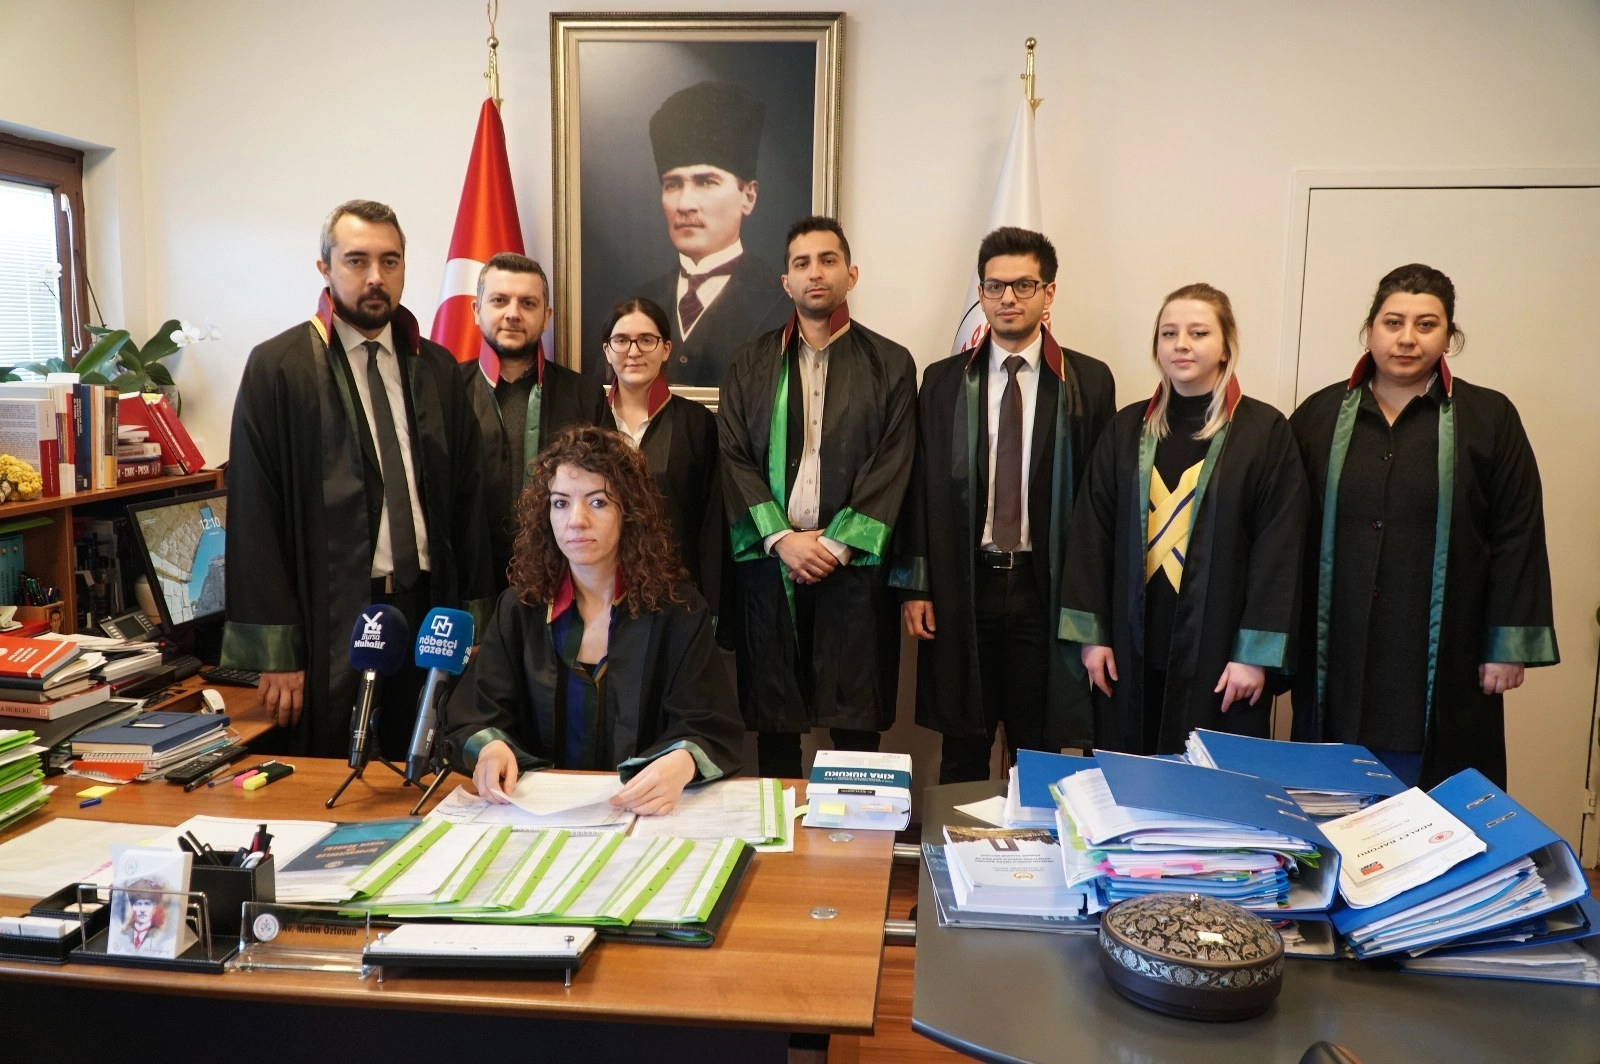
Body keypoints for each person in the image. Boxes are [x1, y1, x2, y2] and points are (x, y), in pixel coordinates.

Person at [223, 200, 494, 758]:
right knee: (341, 772)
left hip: (427, 611)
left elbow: (468, 505)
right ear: (324, 267)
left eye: (389, 261)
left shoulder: (437, 368)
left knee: (427, 763)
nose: (375, 277)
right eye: (356, 260)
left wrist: (475, 622)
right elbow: (255, 515)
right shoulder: (279, 368)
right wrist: (278, 653)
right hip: (334, 619)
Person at [1289, 264, 1558, 789]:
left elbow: (1517, 531)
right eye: (1393, 322)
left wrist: (1506, 644)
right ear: (1369, 330)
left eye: (1426, 324)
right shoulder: (1318, 416)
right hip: (1336, 645)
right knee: (1331, 795)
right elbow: (1284, 532)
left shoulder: (1489, 418)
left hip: (1444, 647)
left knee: (1437, 805)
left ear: (1449, 336)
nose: (1407, 338)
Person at [891, 227, 1116, 783]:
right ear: (981, 293)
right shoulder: (943, 381)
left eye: (1023, 285)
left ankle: (1034, 837)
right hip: (965, 584)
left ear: (1049, 292)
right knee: (962, 743)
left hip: (1047, 587)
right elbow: (920, 486)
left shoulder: (1087, 381)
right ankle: (955, 839)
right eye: (995, 286)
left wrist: (1092, 603)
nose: (1008, 298)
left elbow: (1099, 503)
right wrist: (917, 586)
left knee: (1038, 746)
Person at [1061, 283, 1308, 755]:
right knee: (1128, 781)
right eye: (1169, 333)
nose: (1182, 344)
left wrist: (1254, 655)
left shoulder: (1264, 433)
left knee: (1211, 785)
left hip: (1221, 659)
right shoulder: (1126, 430)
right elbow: (1092, 534)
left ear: (1225, 346)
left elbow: (1279, 549)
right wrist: (1092, 638)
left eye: (1198, 333)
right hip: (1129, 652)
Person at [444, 426, 743, 815]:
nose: (576, 520)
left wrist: (682, 762)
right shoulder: (520, 609)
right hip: (536, 818)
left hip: (644, 817)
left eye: (598, 502)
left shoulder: (678, 611)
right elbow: (477, 713)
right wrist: (491, 747)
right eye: (560, 503)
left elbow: (708, 723)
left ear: (629, 512)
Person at [719, 216, 917, 779]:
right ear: (786, 281)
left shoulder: (891, 363)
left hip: (852, 568)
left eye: (828, 260)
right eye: (802, 263)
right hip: (772, 564)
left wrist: (835, 544)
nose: (815, 273)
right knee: (776, 725)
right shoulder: (748, 363)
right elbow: (733, 457)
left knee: (854, 723)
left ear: (851, 274)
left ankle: (855, 832)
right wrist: (782, 539)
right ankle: (780, 830)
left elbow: (893, 461)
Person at [463, 252, 609, 591]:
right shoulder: (447, 389)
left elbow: (606, 494)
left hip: (563, 576)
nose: (513, 314)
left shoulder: (585, 395)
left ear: (546, 317)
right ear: (476, 310)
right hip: (469, 578)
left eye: (528, 303)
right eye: (499, 300)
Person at [632, 81, 792, 389]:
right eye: (672, 184)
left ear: (748, 196)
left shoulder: (781, 305)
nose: (685, 204)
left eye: (706, 182)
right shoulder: (636, 302)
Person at [603, 296, 726, 612]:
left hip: (676, 593)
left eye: (646, 340)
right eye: (622, 340)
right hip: (598, 590)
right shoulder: (589, 418)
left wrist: (711, 607)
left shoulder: (696, 422)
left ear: (666, 349)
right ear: (607, 350)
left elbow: (711, 523)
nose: (634, 351)